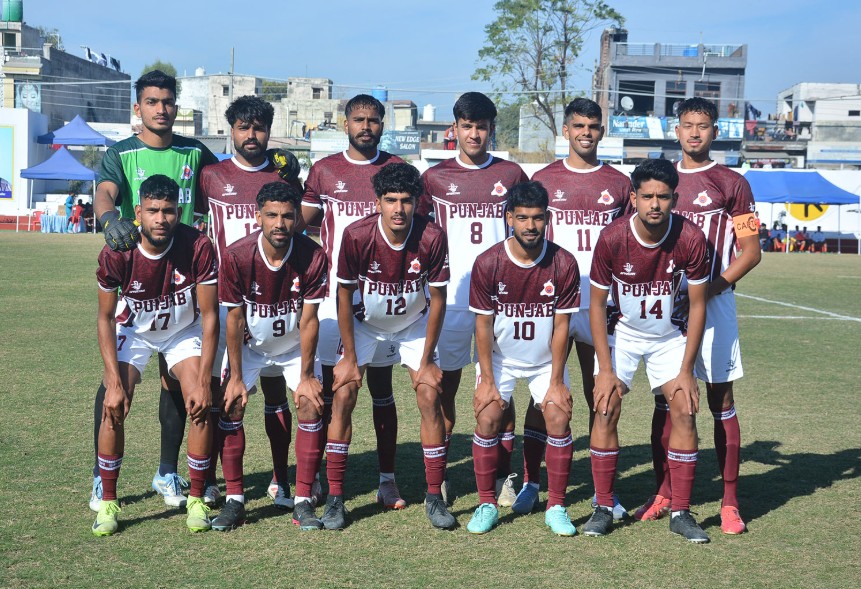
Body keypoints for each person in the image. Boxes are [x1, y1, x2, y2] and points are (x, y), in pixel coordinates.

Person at [89, 69, 219, 513]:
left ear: (176, 106)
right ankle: (100, 477)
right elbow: (105, 193)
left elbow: (228, 184)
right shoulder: (121, 152)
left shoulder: (194, 151)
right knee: (113, 387)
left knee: (178, 384)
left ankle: (167, 471)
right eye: (151, 101)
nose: (161, 109)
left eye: (167, 101)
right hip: (138, 277)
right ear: (137, 107)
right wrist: (110, 220)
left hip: (184, 276)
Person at [638, 97, 761, 535]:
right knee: (667, 399)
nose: (694, 133)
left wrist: (711, 288)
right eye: (687, 125)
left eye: (703, 125)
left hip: (714, 302)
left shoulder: (732, 183)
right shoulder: (660, 180)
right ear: (676, 130)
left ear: (715, 131)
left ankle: (730, 502)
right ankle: (664, 493)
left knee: (719, 400)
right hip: (665, 306)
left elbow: (751, 252)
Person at [322, 163, 455, 530]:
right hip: (366, 324)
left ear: (417, 202)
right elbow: (344, 295)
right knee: (344, 393)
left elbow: (439, 300)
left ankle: (434, 496)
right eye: (391, 200)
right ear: (377, 201)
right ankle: (335, 499)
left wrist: (427, 359)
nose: (399, 209)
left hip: (412, 324)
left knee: (429, 394)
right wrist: (350, 357)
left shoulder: (432, 236)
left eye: (406, 201)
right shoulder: (356, 235)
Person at [584, 159, 710, 543]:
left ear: (675, 198)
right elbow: (595, 304)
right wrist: (605, 369)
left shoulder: (690, 238)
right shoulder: (612, 237)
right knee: (605, 406)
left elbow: (699, 305)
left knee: (685, 409)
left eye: (663, 197)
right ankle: (603, 507)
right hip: (622, 333)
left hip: (669, 336)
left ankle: (681, 512)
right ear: (634, 197)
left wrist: (687, 370)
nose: (655, 204)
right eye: (648, 196)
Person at [198, 95, 307, 511]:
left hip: (276, 301)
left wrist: (297, 179)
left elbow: (301, 225)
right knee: (223, 394)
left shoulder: (283, 175)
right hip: (227, 301)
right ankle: (213, 480)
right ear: (231, 130)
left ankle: (281, 478)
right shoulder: (211, 176)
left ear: (269, 131)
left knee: (277, 391)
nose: (251, 135)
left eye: (259, 127)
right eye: (243, 127)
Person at [419, 91, 528, 507]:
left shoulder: (511, 174)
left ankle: (503, 476)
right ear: (455, 128)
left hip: (500, 300)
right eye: (467, 126)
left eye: (481, 127)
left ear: (491, 129)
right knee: (444, 389)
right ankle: (442, 474)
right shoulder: (435, 178)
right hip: (449, 300)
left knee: (501, 390)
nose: (474, 134)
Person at [526, 97, 632, 520]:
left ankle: (603, 492)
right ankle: (531, 483)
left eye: (593, 126)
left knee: (602, 395)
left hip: (601, 303)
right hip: (551, 301)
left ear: (601, 131)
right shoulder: (543, 178)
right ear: (566, 131)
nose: (586, 133)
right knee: (543, 393)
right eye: (579, 126)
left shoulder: (620, 183)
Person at [301, 94, 408, 510]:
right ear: (345, 124)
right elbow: (303, 223)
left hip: (385, 297)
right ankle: (324, 476)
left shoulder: (396, 169)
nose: (366, 126)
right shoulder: (325, 170)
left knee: (382, 388)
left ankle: (387, 479)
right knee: (334, 387)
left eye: (374, 120)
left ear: (383, 124)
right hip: (335, 296)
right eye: (359, 119)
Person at [466, 181, 581, 536]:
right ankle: (487, 503)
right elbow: (482, 325)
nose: (530, 226)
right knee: (488, 415)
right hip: (500, 359)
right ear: (508, 218)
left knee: (558, 415)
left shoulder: (564, 262)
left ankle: (556, 507)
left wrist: (557, 381)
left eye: (538, 218)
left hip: (544, 361)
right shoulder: (488, 262)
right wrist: (487, 380)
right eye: (522, 218)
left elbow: (562, 326)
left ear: (548, 218)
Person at [213, 182, 327, 531]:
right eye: (272, 215)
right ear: (257, 216)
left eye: (288, 216)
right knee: (231, 403)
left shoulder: (313, 255)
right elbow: (234, 320)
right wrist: (235, 377)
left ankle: (303, 501)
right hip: (250, 347)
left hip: (293, 347)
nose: (280, 223)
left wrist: (306, 376)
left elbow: (309, 320)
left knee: (309, 403)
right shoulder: (236, 255)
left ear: (297, 218)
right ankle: (235, 500)